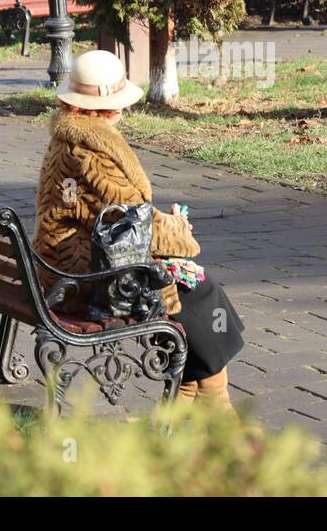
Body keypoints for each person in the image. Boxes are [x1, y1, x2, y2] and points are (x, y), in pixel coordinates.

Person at [33, 49, 245, 410]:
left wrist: (164, 224)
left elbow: (113, 213)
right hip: (86, 280)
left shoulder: (70, 139)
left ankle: (190, 397)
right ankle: (214, 408)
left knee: (196, 289)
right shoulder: (91, 151)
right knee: (199, 290)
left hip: (62, 267)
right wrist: (180, 230)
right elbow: (133, 224)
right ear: (111, 107)